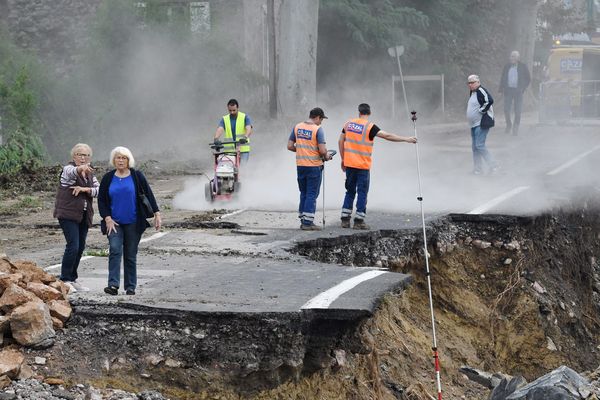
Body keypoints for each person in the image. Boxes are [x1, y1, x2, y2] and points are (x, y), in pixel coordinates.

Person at [339, 103, 416, 230]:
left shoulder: (348, 124)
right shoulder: (370, 127)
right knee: (362, 192)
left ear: (359, 112)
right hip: (362, 165)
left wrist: (343, 159)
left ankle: (345, 220)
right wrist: (406, 139)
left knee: (350, 190)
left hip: (350, 164)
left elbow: (340, 140)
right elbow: (387, 136)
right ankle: (359, 220)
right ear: (369, 113)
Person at [98, 146, 161, 296]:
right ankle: (113, 285)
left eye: (124, 158)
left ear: (128, 160)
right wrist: (107, 218)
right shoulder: (108, 178)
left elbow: (149, 194)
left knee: (130, 255)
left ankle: (130, 286)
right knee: (115, 249)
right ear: (114, 160)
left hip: (134, 221)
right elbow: (101, 200)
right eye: (118, 157)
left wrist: (157, 214)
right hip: (114, 222)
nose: (121, 160)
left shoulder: (137, 176)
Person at [53, 143, 99, 293]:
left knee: (80, 247)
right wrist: (80, 169)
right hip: (68, 214)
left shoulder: (91, 174)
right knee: (73, 245)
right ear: (74, 156)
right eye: (80, 154)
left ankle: (73, 278)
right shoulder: (68, 169)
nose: (83, 157)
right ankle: (65, 279)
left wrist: (85, 189)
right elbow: (73, 171)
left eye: (86, 155)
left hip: (84, 215)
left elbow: (99, 190)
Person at [287, 107, 332, 231]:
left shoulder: (297, 127)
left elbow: (290, 146)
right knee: (312, 193)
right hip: (313, 166)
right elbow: (322, 150)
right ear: (317, 117)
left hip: (300, 165)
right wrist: (327, 156)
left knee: (304, 192)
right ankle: (308, 222)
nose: (321, 122)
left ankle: (303, 217)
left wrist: (302, 150)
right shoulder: (318, 130)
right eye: (321, 119)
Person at [467, 74, 497, 175]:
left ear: (478, 82)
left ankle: (494, 165)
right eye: (469, 83)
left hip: (481, 123)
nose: (470, 85)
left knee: (479, 145)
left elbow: (489, 100)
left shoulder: (481, 90)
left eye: (473, 82)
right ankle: (478, 169)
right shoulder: (472, 92)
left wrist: (481, 110)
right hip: (473, 124)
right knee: (475, 147)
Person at [499, 51, 530, 135]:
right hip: (508, 91)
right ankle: (509, 124)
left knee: (518, 110)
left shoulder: (523, 67)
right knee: (506, 110)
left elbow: (528, 78)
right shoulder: (507, 66)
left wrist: (523, 87)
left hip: (518, 91)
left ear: (518, 58)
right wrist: (500, 90)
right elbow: (503, 78)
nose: (511, 58)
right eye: (511, 56)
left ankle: (515, 127)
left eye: (513, 57)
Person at [214, 99, 253, 164]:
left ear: (238, 108)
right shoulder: (224, 119)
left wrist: (245, 137)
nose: (232, 112)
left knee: (242, 168)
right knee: (229, 168)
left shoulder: (245, 117)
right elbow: (220, 129)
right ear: (227, 108)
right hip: (230, 150)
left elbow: (248, 128)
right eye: (230, 110)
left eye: (234, 110)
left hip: (243, 149)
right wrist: (216, 138)